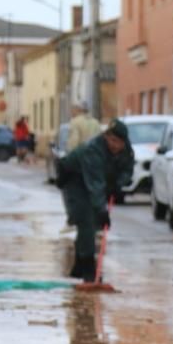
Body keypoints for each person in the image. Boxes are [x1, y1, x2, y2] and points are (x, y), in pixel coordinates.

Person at [57, 119, 133, 282]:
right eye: (111, 140)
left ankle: (78, 269)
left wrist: (118, 184)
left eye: (118, 142)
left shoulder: (127, 150)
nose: (114, 145)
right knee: (87, 219)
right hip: (74, 179)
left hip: (94, 180)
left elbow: (127, 169)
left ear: (124, 141)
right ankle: (89, 270)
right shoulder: (94, 150)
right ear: (106, 137)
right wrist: (102, 210)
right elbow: (95, 184)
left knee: (90, 223)